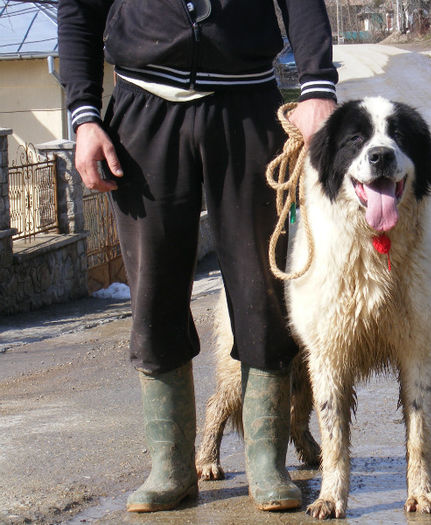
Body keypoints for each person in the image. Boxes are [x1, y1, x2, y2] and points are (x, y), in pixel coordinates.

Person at [57, 0, 337, 513]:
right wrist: (84, 117)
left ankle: (267, 464)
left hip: (248, 107)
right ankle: (172, 469)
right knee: (153, 292)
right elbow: (78, 12)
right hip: (141, 111)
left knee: (264, 291)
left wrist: (318, 86)